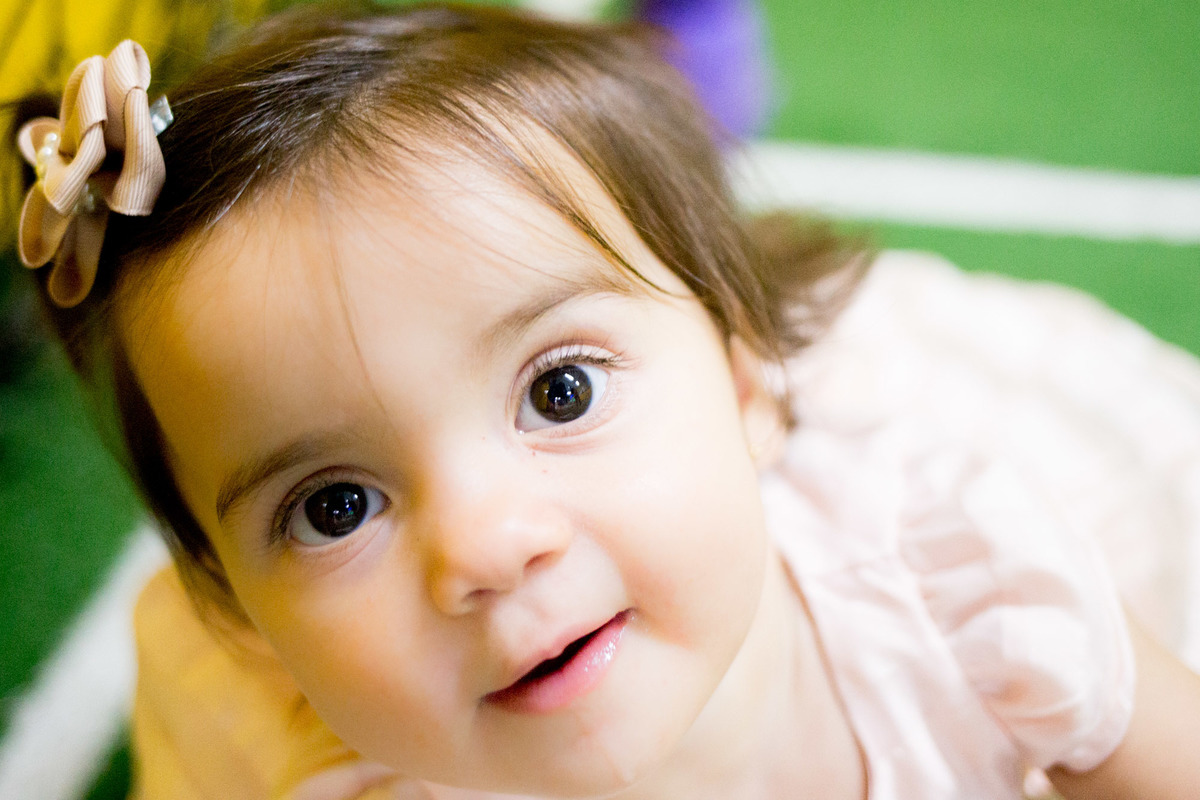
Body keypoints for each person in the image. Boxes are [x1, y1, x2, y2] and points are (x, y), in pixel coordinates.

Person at [9, 3, 1200, 798]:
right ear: (244, 612)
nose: (483, 545)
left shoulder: (968, 590)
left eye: (560, 389)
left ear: (745, 391)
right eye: (333, 505)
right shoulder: (300, 759)